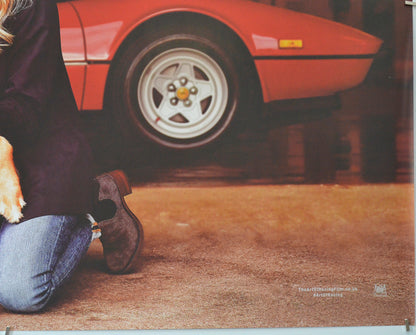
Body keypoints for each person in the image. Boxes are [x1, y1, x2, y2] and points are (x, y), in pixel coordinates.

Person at [0, 0, 143, 313]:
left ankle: (90, 207)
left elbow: (25, 110)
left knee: (19, 291)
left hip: (44, 160)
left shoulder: (32, 8)